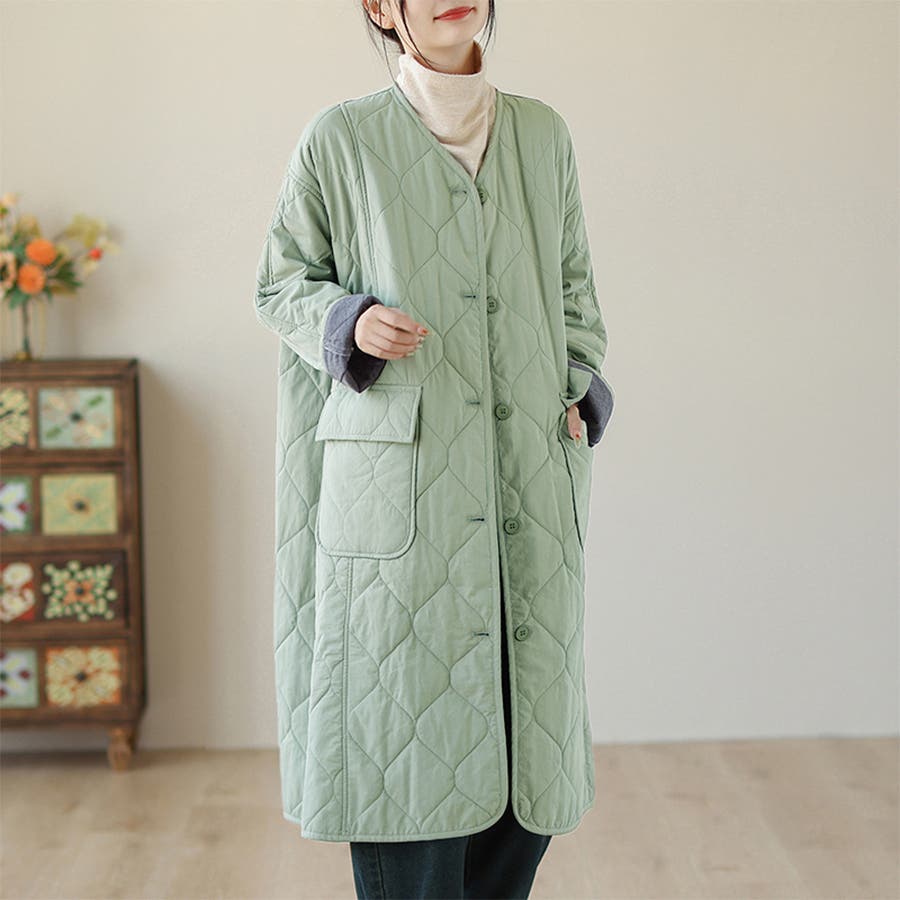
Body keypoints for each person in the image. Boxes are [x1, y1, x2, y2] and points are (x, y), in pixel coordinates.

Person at [253, 2, 615, 898]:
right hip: (399, 490)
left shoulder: (542, 135)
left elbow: (574, 288)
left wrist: (579, 387)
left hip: (527, 479)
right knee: (404, 775)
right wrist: (349, 321)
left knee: (523, 787)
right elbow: (281, 283)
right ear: (380, 7)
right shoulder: (341, 139)